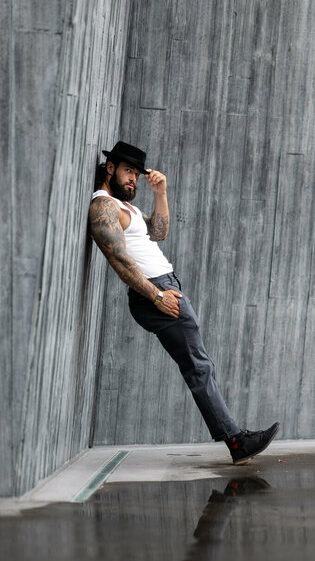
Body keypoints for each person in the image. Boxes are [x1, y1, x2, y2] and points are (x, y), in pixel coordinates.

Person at [88, 141, 280, 464]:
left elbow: (158, 232)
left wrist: (160, 193)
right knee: (198, 366)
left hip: (165, 287)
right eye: (128, 171)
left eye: (137, 174)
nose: (133, 179)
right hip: (155, 292)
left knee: (200, 365)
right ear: (110, 169)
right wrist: (157, 296)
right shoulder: (103, 207)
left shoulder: (125, 208)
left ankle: (236, 440)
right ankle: (237, 442)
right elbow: (119, 261)